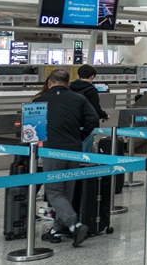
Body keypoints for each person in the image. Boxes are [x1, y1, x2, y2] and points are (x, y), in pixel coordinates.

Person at [34, 69, 99, 246]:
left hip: (52, 151)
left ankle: (74, 225)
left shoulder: (39, 101)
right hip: (74, 150)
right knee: (67, 191)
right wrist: (81, 135)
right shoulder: (79, 99)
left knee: (54, 191)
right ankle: (57, 229)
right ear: (68, 84)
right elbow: (93, 118)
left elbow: (32, 129)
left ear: (49, 83)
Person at [69, 64, 109, 153]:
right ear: (92, 76)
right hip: (86, 126)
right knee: (84, 153)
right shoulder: (91, 90)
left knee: (72, 151)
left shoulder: (69, 88)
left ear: (78, 75)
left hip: (70, 124)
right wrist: (104, 115)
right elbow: (95, 109)